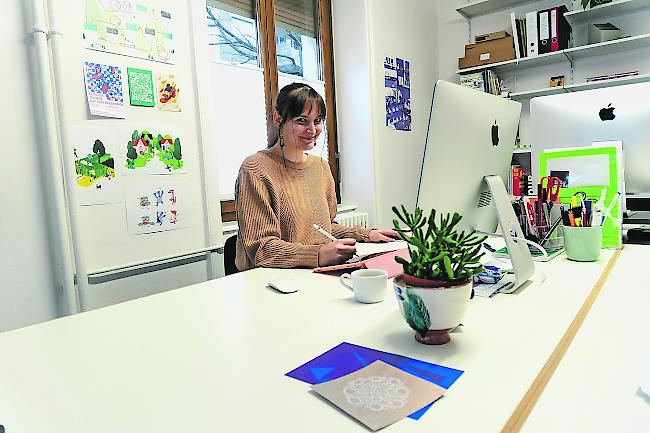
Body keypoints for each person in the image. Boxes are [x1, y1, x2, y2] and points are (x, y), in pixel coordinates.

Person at [234, 82, 398, 271]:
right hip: (271, 280)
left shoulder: (320, 167)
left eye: (318, 121)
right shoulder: (255, 168)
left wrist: (368, 234)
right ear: (278, 119)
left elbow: (324, 229)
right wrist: (317, 255)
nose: (312, 130)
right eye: (302, 121)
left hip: (314, 274)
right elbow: (261, 249)